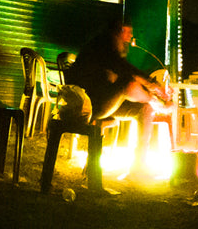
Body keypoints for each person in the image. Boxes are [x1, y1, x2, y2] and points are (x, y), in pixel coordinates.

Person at [64, 19, 171, 179]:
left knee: (143, 109)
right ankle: (155, 103)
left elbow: (124, 70)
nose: (131, 37)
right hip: (90, 103)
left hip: (101, 100)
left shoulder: (109, 46)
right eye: (128, 32)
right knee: (128, 85)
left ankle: (139, 166)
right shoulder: (103, 45)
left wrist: (150, 87)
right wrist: (153, 88)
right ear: (119, 31)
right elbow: (126, 73)